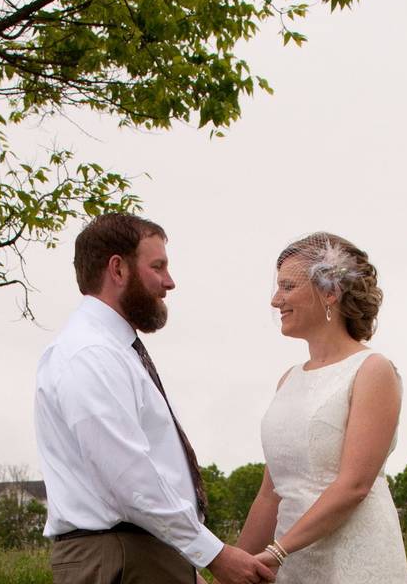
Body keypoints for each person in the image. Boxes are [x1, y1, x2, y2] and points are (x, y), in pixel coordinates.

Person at [34, 213, 276, 584]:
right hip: (119, 556)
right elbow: (128, 476)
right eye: (157, 266)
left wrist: (181, 564)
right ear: (118, 269)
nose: (169, 281)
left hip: (141, 554)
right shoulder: (90, 353)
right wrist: (214, 554)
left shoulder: (115, 350)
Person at [234, 233, 407, 583]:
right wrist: (231, 572)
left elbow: (354, 485)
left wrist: (278, 551)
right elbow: (270, 494)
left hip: (353, 560)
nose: (275, 300)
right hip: (290, 563)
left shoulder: (372, 370)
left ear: (330, 292)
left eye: (287, 287)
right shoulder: (288, 379)